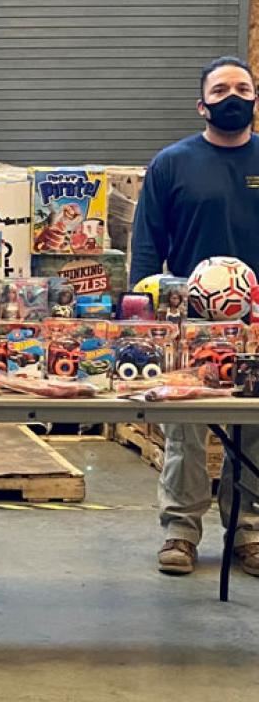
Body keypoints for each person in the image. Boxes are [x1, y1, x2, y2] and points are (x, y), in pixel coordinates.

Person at [130, 55, 259, 577]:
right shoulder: (172, 163)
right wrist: (142, 314)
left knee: (254, 430)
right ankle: (180, 530)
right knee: (184, 430)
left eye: (243, 87)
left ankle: (248, 530)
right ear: (201, 104)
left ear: (255, 99)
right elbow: (146, 246)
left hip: (256, 326)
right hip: (189, 325)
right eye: (221, 89)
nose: (233, 96)